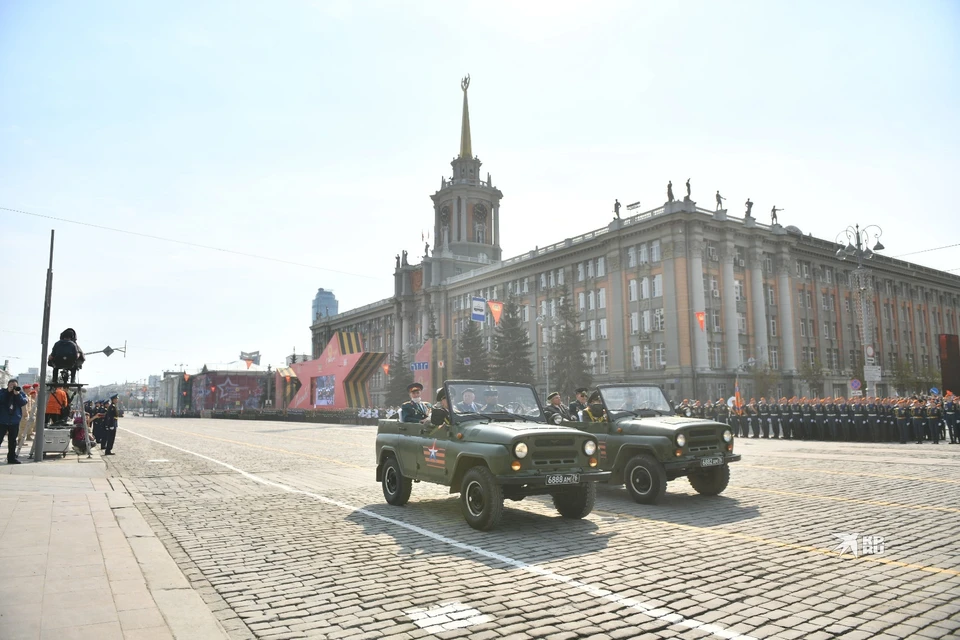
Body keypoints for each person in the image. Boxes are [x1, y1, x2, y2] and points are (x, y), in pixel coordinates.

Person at [1, 379, 28, 464]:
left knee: (12, 441)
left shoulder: (20, 393)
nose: (13, 387)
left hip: (14, 421)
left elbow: (23, 402)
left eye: (14, 386)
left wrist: (17, 395)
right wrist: (7, 392)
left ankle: (11, 458)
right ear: (8, 385)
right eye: (11, 386)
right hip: (2, 420)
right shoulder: (2, 392)